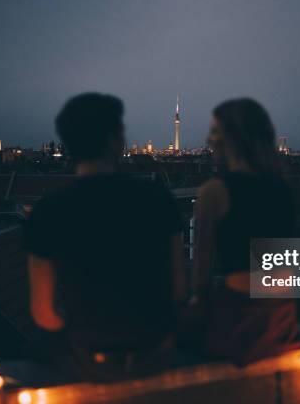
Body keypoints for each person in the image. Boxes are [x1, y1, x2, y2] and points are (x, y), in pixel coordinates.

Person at [24, 92, 186, 381]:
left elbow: (43, 313)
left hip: (86, 361)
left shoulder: (47, 211)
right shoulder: (156, 198)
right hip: (153, 357)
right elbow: (178, 289)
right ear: (116, 140)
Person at [184, 98, 300, 365]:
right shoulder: (282, 189)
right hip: (282, 321)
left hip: (238, 324)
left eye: (215, 131)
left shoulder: (213, 192)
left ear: (232, 138)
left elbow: (200, 284)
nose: (209, 138)